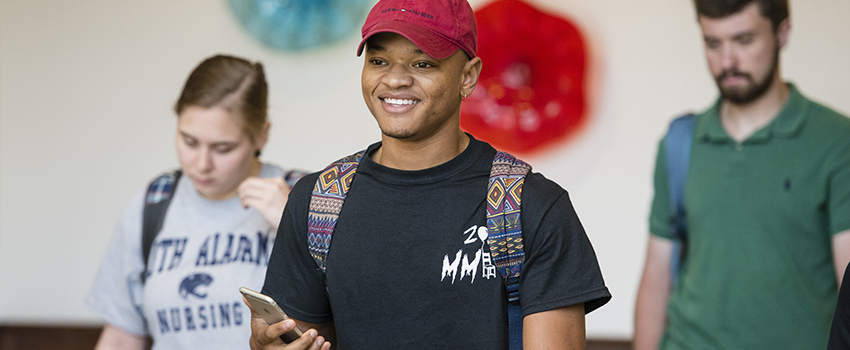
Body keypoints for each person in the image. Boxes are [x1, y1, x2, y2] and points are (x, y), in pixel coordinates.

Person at [246, 0, 611, 349]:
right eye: (378, 60)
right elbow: (303, 338)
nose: (395, 80)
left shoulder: (529, 205)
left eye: (422, 65)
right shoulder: (319, 201)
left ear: (468, 77)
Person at [634, 1, 850, 349]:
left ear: (782, 34)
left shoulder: (838, 142)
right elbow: (657, 275)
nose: (727, 61)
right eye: (713, 43)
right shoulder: (679, 143)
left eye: (744, 40)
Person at [87, 54, 305, 350]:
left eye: (223, 148)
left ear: (261, 136)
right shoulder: (153, 202)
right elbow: (122, 335)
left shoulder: (304, 196)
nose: (202, 164)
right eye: (189, 141)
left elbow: (354, 309)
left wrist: (292, 224)